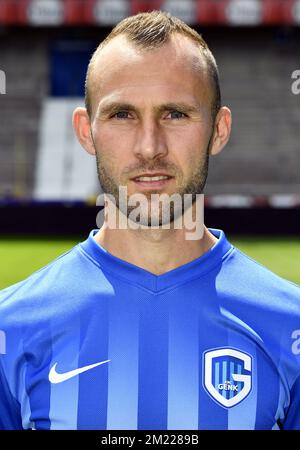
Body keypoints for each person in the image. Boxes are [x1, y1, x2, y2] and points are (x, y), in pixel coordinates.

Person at [0, 10, 300, 431]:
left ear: (219, 129)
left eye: (175, 113)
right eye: (122, 114)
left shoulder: (291, 326)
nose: (149, 147)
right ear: (86, 132)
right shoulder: (10, 329)